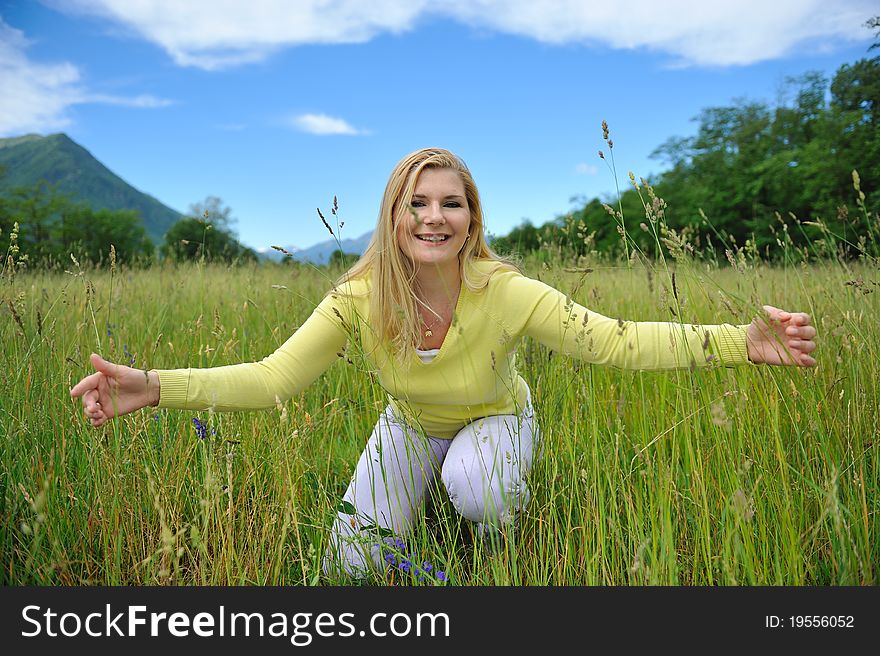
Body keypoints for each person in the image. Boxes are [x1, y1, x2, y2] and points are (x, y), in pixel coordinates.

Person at [70, 148, 818, 579]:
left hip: (497, 419)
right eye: (417, 202)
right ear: (394, 216)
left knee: (475, 487)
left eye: (451, 204)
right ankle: (422, 501)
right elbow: (273, 379)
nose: (434, 216)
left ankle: (498, 540)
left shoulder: (508, 291)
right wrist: (157, 386)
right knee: (351, 566)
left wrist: (740, 341)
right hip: (412, 425)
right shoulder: (356, 298)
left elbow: (617, 340)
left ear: (472, 220)